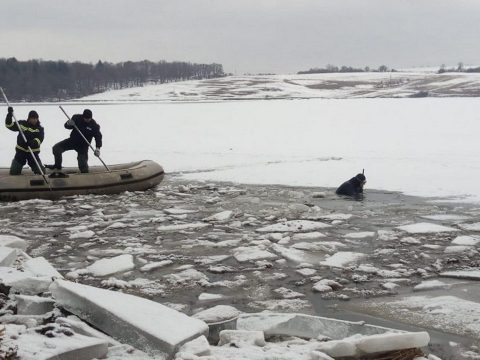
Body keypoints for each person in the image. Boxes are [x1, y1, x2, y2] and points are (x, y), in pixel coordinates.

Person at [5, 107, 45, 175]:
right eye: (32, 118)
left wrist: (33, 143)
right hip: (21, 152)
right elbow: (9, 125)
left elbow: (39, 139)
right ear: (29, 118)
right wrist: (9, 115)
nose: (34, 120)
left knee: (41, 172)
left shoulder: (40, 129)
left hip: (33, 153)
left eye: (36, 118)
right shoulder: (22, 124)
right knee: (13, 172)